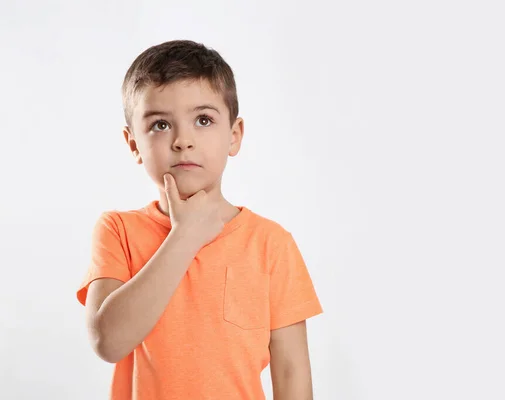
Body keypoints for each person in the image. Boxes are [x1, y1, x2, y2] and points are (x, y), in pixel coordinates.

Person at [76, 39, 323, 400]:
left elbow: (291, 371)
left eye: (203, 120)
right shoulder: (117, 230)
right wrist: (185, 235)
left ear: (234, 136)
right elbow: (107, 342)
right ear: (133, 145)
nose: (182, 140)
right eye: (160, 125)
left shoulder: (272, 244)